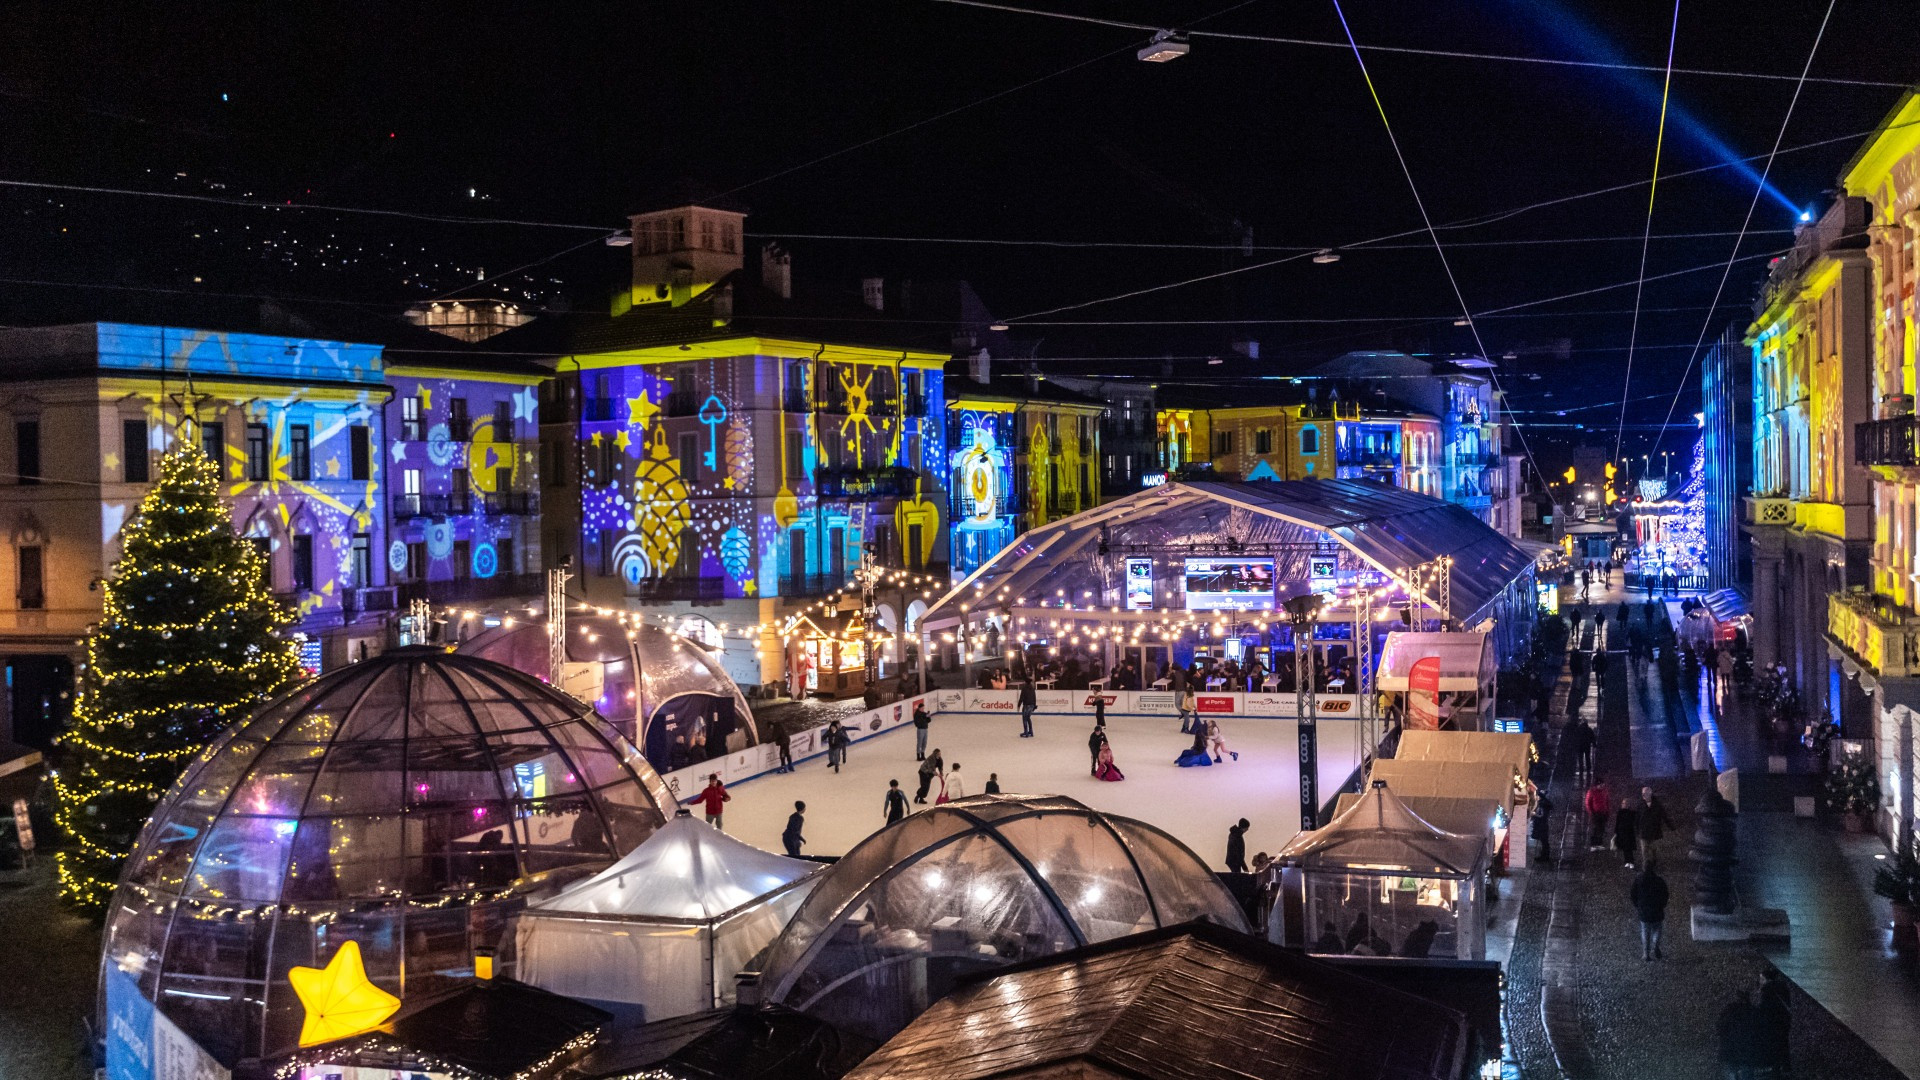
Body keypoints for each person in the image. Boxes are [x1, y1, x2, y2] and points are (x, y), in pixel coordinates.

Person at [1629, 859, 1669, 960]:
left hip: (1644, 910)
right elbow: (1665, 894)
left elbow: (1633, 894)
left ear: (1643, 868)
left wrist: (1637, 905)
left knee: (1645, 931)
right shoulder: (1659, 880)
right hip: (1657, 910)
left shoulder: (1638, 880)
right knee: (1657, 929)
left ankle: (1646, 954)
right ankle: (1655, 945)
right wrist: (1662, 905)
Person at [1717, 991, 1761, 1079]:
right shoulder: (1753, 1011)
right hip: (1747, 1050)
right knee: (1747, 1073)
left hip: (1731, 1049)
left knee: (1732, 1072)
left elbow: (1720, 1027)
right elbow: (1758, 1031)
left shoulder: (1729, 1011)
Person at [1756, 970, 1792, 1076]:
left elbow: (1764, 1008)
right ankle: (1786, 1067)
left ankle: (1775, 1067)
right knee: (1784, 1043)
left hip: (1773, 1022)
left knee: (1773, 1044)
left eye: (1762, 979)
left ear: (1767, 979)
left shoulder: (1767, 990)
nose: (1760, 981)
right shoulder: (1783, 987)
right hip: (1784, 1021)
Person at [1639, 785, 1671, 865]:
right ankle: (1646, 865)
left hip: (1654, 831)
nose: (1643, 795)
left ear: (1650, 794)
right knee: (1644, 850)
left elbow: (1664, 816)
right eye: (1642, 793)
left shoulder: (1657, 805)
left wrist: (1671, 827)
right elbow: (1637, 818)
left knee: (1654, 849)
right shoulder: (1640, 805)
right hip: (1644, 831)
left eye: (1645, 793)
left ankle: (1654, 861)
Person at [1584, 774, 1612, 851]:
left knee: (1601, 829)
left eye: (1603, 784)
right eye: (1601, 784)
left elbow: (1607, 801)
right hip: (1595, 814)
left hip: (1603, 813)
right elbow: (1587, 803)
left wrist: (1608, 811)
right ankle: (1593, 845)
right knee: (1595, 829)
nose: (1602, 786)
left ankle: (1599, 844)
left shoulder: (1605, 791)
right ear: (1597, 785)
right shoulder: (1591, 792)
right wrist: (1591, 813)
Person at [1614, 796, 1640, 869]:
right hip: (1622, 832)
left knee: (1629, 847)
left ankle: (1631, 861)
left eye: (1624, 803)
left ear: (1628, 805)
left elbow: (1634, 822)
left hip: (1629, 833)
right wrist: (1616, 832)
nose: (1622, 804)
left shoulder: (1632, 813)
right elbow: (1617, 822)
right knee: (1625, 848)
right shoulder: (1620, 812)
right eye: (1622, 803)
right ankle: (1627, 861)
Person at [1531, 790, 1555, 868]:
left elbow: (1541, 815)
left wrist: (1534, 814)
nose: (1536, 797)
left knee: (1544, 841)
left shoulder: (1542, 805)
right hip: (1544, 825)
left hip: (1542, 825)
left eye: (1537, 796)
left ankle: (1544, 856)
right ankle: (1544, 855)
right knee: (1544, 841)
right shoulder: (1544, 803)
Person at [1018, 674, 1037, 738]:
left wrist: (1019, 705)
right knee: (1028, 717)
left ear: (1025, 682)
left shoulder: (1024, 688)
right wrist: (1034, 705)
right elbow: (1034, 697)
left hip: (1026, 705)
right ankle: (1031, 731)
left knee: (1024, 719)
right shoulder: (1032, 688)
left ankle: (1026, 732)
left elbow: (1021, 697)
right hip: (1031, 705)